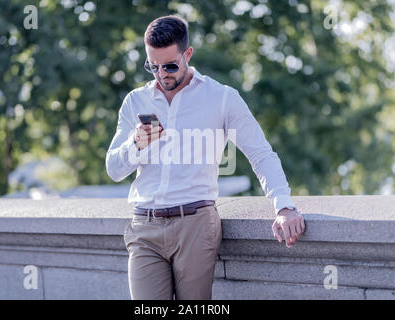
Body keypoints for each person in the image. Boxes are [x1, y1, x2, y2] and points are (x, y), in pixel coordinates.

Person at [106, 15, 305, 300]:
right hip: (144, 227)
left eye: (170, 65)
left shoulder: (221, 98)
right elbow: (113, 169)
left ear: (187, 54)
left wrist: (284, 207)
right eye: (153, 66)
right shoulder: (135, 101)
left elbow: (261, 154)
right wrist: (136, 144)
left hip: (196, 225)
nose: (162, 74)